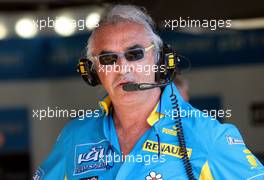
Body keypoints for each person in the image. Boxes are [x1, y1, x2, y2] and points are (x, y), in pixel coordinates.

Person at [33, 5, 264, 180]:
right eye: (108, 59)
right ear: (93, 72)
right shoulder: (75, 136)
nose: (123, 68)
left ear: (160, 60)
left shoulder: (208, 137)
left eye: (135, 54)